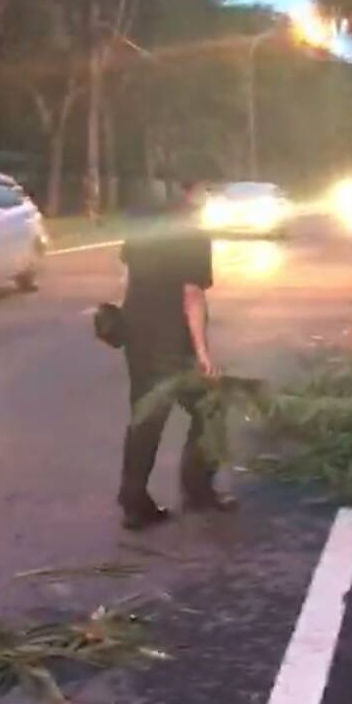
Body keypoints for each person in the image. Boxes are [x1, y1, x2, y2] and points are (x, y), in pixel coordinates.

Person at [117, 180, 236, 530]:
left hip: (137, 331)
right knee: (211, 403)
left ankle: (133, 501)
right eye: (208, 188)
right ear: (197, 187)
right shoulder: (193, 231)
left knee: (146, 415)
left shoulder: (145, 219)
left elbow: (127, 271)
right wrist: (203, 353)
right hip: (172, 338)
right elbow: (192, 295)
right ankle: (197, 490)